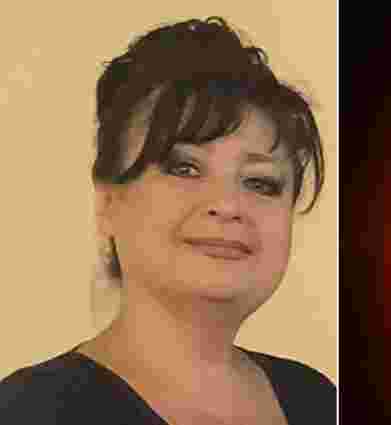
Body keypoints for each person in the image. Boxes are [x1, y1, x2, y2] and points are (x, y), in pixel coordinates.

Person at [0, 16, 335, 424]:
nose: (227, 204)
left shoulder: (317, 400)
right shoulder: (30, 411)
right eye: (184, 168)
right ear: (108, 202)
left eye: (260, 182)